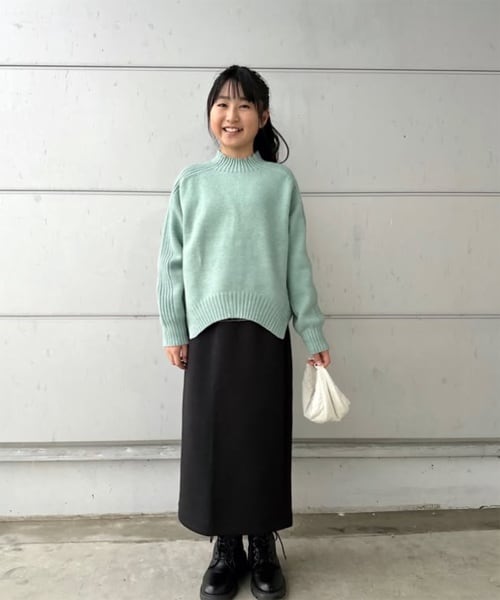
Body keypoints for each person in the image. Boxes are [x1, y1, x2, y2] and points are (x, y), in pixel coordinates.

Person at [157, 65, 330, 600]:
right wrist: (174, 327)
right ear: (210, 114)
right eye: (221, 104)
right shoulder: (191, 182)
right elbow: (171, 262)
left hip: (266, 334)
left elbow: (296, 265)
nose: (231, 115)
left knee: (261, 442)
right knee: (214, 443)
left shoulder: (279, 184)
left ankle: (262, 547)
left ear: (263, 116)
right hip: (208, 336)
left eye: (244, 105)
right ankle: (224, 549)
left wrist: (313, 333)